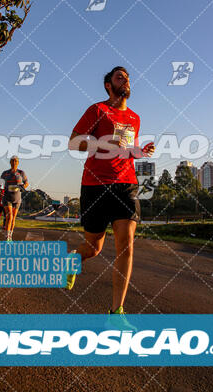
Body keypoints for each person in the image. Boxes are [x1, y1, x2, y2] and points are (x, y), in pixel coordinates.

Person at [67, 66, 155, 328]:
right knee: (94, 248)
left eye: (127, 77)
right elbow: (74, 143)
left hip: (125, 185)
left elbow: (124, 151)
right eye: (120, 77)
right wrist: (105, 144)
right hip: (94, 184)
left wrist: (138, 151)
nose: (125, 80)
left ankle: (116, 314)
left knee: (126, 243)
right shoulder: (97, 110)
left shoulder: (135, 118)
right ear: (108, 85)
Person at [0, 156, 28, 241]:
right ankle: (7, 237)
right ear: (10, 163)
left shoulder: (21, 173)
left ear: (18, 163)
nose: (14, 163)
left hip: (17, 198)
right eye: (12, 161)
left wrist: (23, 186)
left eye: (16, 161)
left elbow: (26, 183)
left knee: (13, 218)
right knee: (10, 217)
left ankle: (10, 236)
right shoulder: (5, 173)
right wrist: (1, 189)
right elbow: (0, 183)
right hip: (7, 197)